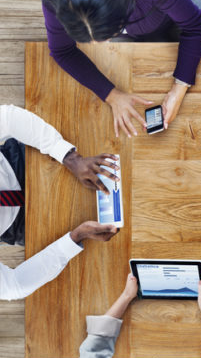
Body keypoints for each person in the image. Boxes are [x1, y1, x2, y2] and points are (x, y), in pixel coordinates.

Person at [42, 0, 201, 138]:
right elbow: (62, 52)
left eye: (105, 34)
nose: (97, 43)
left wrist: (178, 89)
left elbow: (194, 26)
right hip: (145, 21)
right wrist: (111, 95)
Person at [0, 103, 118, 300]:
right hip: (26, 224)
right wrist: (74, 239)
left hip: (24, 161)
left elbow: (6, 118)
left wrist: (69, 156)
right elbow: (13, 287)